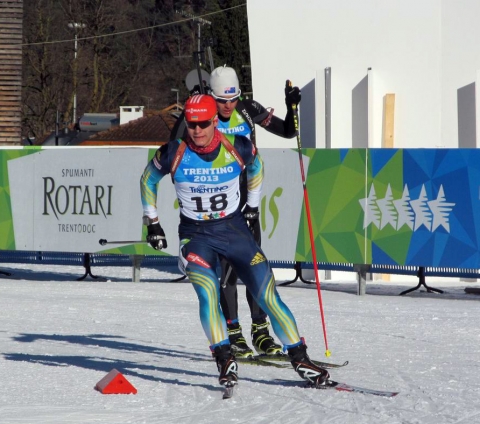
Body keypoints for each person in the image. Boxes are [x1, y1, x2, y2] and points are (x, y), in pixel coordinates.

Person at [140, 94, 330, 389]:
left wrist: (252, 206)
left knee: (267, 294)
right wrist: (152, 222)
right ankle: (225, 357)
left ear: (214, 121)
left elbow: (256, 167)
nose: (197, 131)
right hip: (196, 237)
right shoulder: (173, 152)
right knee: (208, 293)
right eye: (191, 124)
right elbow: (147, 180)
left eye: (203, 123)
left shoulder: (237, 146)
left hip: (235, 231)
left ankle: (300, 358)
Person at [169, 65, 302, 359]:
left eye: (232, 99)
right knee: (224, 275)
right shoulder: (199, 116)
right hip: (213, 210)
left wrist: (292, 106)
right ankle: (233, 334)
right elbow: (173, 149)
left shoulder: (247, 108)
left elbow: (288, 131)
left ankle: (261, 332)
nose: (228, 106)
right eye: (222, 101)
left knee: (255, 268)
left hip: (246, 206)